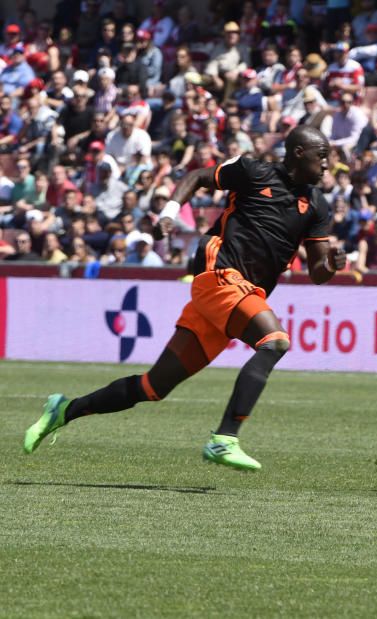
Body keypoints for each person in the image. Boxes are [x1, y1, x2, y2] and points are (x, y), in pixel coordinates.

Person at [23, 126, 347, 472]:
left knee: (153, 386)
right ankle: (225, 438)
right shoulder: (254, 172)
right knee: (274, 341)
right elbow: (198, 176)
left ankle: (63, 410)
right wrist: (169, 211)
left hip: (237, 295)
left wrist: (331, 264)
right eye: (323, 156)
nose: (328, 165)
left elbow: (317, 272)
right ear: (299, 153)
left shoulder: (316, 205)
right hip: (219, 274)